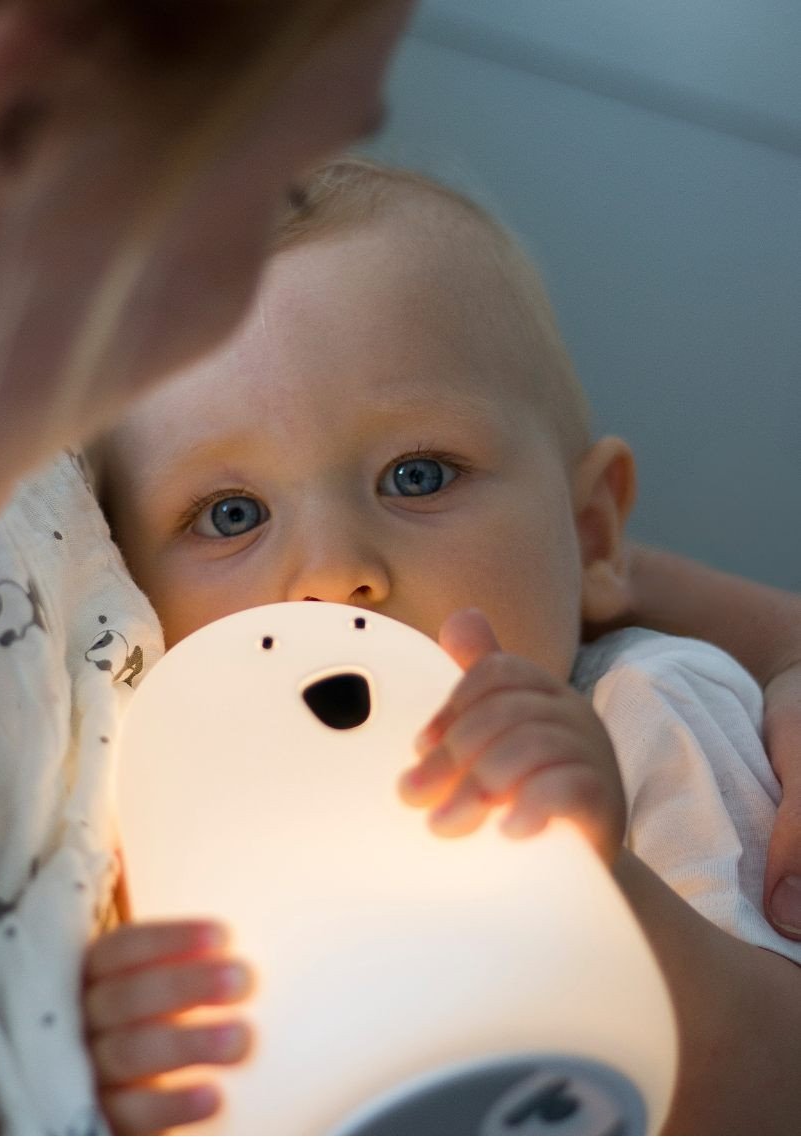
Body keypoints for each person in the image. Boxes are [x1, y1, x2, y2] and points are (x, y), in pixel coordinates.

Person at [93, 158, 801, 1133]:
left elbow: (779, 1085)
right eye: (230, 512)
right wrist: (148, 1064)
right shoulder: (177, 827)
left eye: (417, 475)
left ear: (592, 535)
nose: (333, 574)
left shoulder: (645, 716)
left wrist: (599, 881)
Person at [0, 4, 415, 1133]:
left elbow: (500, 504)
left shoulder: (10, 472)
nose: (334, 579)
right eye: (279, 195)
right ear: (14, 119)